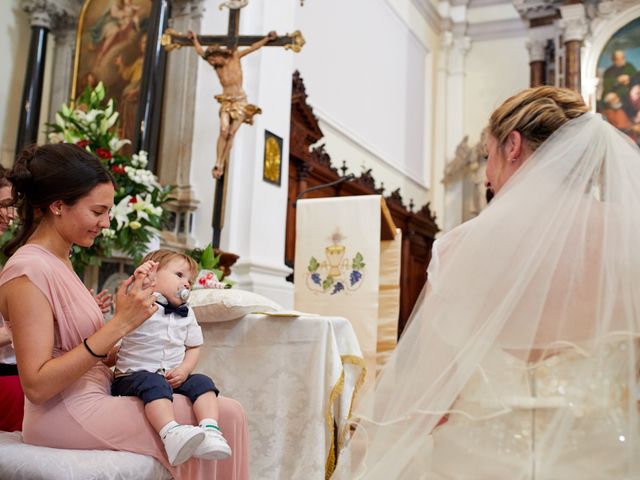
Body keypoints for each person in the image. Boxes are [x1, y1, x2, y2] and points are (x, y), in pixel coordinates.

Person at [334, 87, 640, 479]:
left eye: (486, 155)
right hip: (605, 462)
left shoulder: (459, 249)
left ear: (512, 145)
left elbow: (430, 398)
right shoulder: (632, 238)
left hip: (478, 464)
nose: (486, 174)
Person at [0, 144, 248, 479]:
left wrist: (126, 341)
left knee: (223, 411)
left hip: (97, 391)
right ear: (58, 205)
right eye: (97, 211)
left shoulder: (61, 260)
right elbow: (38, 385)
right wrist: (119, 323)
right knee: (227, 416)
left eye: (108, 212)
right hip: (63, 412)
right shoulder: (28, 271)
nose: (105, 222)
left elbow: (78, 349)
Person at [112, 250, 231, 466]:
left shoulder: (188, 312)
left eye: (190, 281)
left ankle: (210, 430)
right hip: (132, 376)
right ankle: (170, 433)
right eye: (179, 275)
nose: (186, 284)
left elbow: (194, 346)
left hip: (170, 376)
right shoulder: (140, 301)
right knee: (153, 382)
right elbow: (122, 311)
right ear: (153, 275)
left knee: (203, 382)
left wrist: (184, 370)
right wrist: (141, 280)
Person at [187, 29, 277, 178]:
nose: (212, 63)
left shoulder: (235, 57)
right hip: (226, 101)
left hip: (240, 102)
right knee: (223, 130)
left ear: (219, 55)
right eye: (210, 62)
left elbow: (253, 47)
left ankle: (222, 161)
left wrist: (267, 39)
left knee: (231, 133)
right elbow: (200, 52)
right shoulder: (216, 66)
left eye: (213, 60)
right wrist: (194, 39)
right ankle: (218, 162)